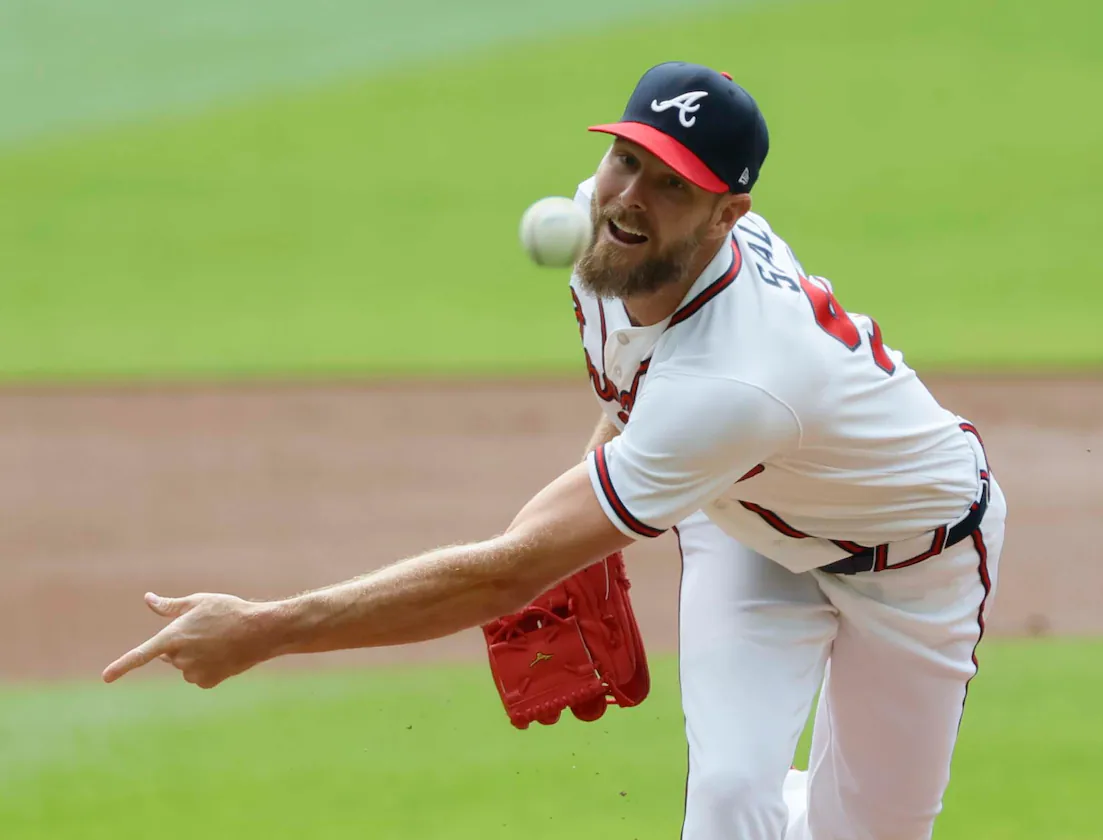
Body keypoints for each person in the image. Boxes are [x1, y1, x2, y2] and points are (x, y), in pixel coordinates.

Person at [103, 61, 1008, 840]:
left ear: (727, 216)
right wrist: (584, 520)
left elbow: (505, 573)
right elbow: (629, 398)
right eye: (627, 159)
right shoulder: (601, 234)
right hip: (746, 525)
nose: (628, 198)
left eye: (672, 187)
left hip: (913, 566)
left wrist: (264, 631)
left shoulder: (737, 379)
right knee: (731, 795)